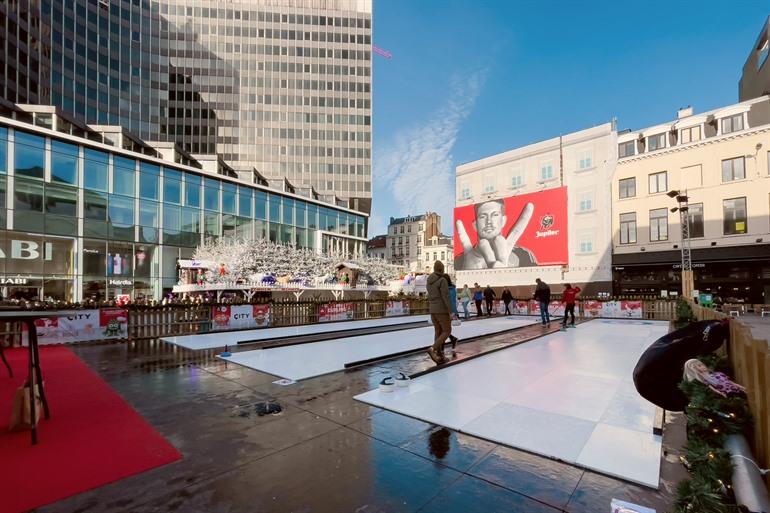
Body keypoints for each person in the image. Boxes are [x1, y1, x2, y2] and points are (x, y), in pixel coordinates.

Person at [455, 200, 538, 270]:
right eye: (483, 217)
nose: (489, 221)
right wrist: (467, 275)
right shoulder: (460, 260)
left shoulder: (523, 254)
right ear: (475, 225)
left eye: (495, 215)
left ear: (503, 221)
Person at [426, 261, 452, 364]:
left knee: (438, 331)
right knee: (447, 331)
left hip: (432, 309)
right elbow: (446, 297)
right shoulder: (442, 280)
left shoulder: (429, 281)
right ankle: (432, 349)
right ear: (442, 269)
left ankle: (439, 354)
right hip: (441, 309)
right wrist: (450, 311)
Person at [444, 273, 460, 349]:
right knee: (444, 329)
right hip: (450, 310)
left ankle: (452, 339)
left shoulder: (445, 289)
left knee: (443, 330)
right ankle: (452, 339)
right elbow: (454, 301)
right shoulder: (453, 288)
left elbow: (450, 301)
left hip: (447, 310)